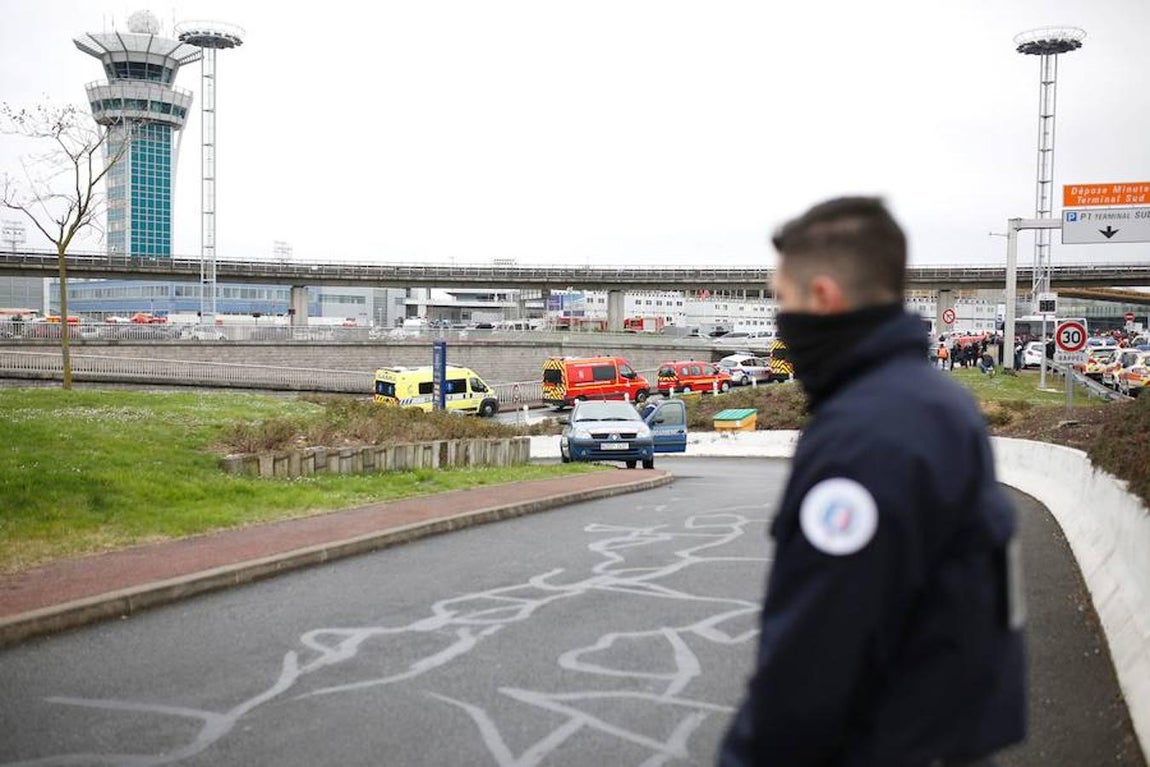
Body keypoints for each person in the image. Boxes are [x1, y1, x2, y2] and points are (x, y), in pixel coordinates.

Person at [719, 197, 1026, 767]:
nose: (779, 321)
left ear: (823, 298)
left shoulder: (864, 439)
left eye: (781, 301)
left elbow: (816, 655)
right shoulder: (941, 405)